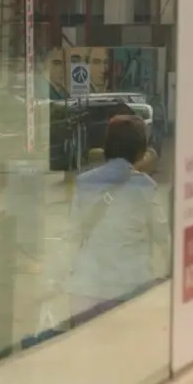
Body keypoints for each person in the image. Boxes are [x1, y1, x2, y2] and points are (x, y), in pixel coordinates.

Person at [67, 114, 169, 318]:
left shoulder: (84, 183)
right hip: (130, 287)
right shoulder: (145, 187)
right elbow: (163, 238)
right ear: (140, 150)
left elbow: (73, 234)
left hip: (86, 288)